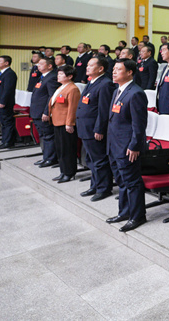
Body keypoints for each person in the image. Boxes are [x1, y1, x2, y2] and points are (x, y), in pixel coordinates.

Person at [105, 59, 148, 232]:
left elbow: (139, 124)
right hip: (114, 145)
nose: (114, 72)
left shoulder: (136, 93)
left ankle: (137, 216)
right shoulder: (118, 90)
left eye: (118, 69)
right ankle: (124, 212)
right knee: (122, 182)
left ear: (129, 72)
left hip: (127, 147)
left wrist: (135, 146)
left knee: (132, 183)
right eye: (114, 69)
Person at [76, 56, 115, 201]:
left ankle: (104, 188)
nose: (87, 67)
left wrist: (99, 129)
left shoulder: (105, 84)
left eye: (91, 65)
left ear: (101, 68)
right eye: (87, 65)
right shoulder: (92, 81)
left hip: (94, 129)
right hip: (85, 127)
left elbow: (104, 110)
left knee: (99, 160)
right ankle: (95, 185)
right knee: (91, 159)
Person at [49, 64, 81, 183]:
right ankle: (63, 171)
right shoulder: (61, 87)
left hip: (65, 124)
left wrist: (70, 123)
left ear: (70, 76)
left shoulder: (72, 89)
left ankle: (69, 172)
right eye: (58, 73)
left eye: (61, 74)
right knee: (60, 149)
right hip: (57, 122)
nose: (58, 76)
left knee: (68, 149)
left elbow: (73, 108)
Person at [31, 57, 60, 168]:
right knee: (43, 135)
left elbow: (52, 96)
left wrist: (47, 112)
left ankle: (51, 158)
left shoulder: (52, 77)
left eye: (41, 64)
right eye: (38, 64)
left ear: (49, 66)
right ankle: (46, 157)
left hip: (43, 112)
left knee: (48, 136)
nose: (38, 65)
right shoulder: (43, 77)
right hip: (37, 111)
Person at [0, 56, 17, 149]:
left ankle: (8, 142)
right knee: (3, 123)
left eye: (0, 61)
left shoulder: (10, 74)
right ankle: (4, 140)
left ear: (6, 63)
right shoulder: (2, 73)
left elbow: (8, 90)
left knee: (7, 122)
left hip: (4, 103)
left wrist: (3, 101)